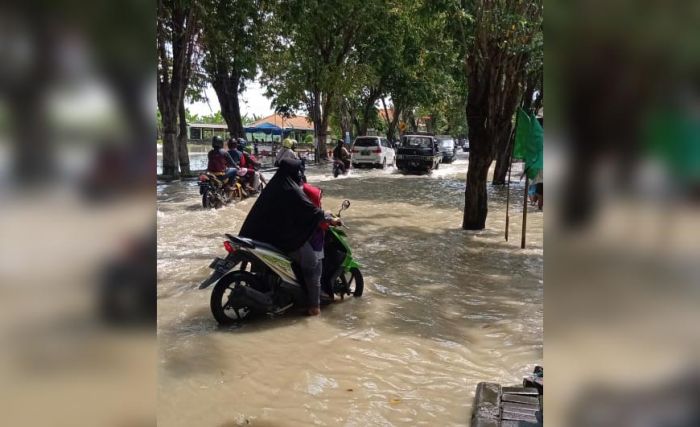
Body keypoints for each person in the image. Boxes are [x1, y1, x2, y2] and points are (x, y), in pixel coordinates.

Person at [238, 159, 341, 315]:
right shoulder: (291, 189)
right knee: (312, 264)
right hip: (284, 240)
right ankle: (314, 307)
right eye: (298, 171)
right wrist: (330, 219)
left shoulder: (274, 185)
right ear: (294, 172)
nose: (299, 174)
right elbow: (311, 211)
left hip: (266, 238)